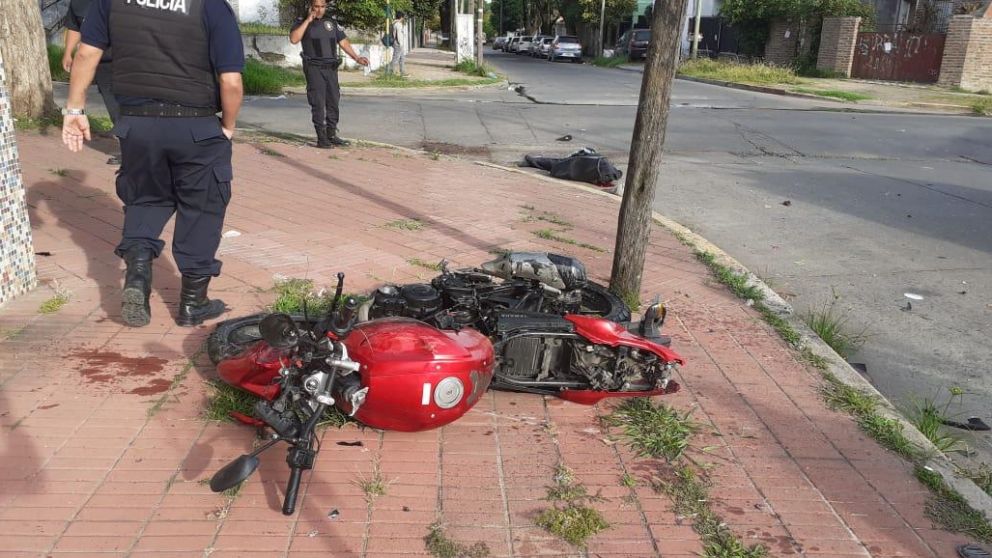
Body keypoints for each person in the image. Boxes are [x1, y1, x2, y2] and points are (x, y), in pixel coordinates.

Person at [61, 0, 245, 329]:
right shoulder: (212, 6)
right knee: (202, 207)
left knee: (145, 199)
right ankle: (193, 303)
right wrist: (228, 127)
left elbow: (86, 54)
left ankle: (137, 275)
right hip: (196, 125)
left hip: (138, 125)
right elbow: (230, 81)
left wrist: (74, 110)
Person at [290, 1, 369, 148]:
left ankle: (331, 134)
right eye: (316, 6)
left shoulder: (331, 22)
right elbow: (294, 39)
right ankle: (321, 138)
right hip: (314, 67)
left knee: (333, 101)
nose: (319, 10)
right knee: (318, 103)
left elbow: (343, 42)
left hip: (331, 68)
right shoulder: (302, 22)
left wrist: (357, 58)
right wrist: (308, 20)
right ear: (310, 6)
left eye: (322, 7)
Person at [62, 0, 120, 165]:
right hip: (101, 63)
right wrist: (68, 52)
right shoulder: (78, 3)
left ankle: (133, 149)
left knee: (128, 106)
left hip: (124, 60)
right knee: (113, 106)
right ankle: (127, 147)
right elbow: (74, 27)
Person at [390, 12, 408, 77]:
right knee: (396, 58)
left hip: (397, 43)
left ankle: (402, 72)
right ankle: (391, 72)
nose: (403, 19)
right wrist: (400, 43)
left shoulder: (394, 23)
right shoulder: (398, 24)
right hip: (398, 43)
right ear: (401, 17)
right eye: (403, 17)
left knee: (402, 58)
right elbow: (399, 35)